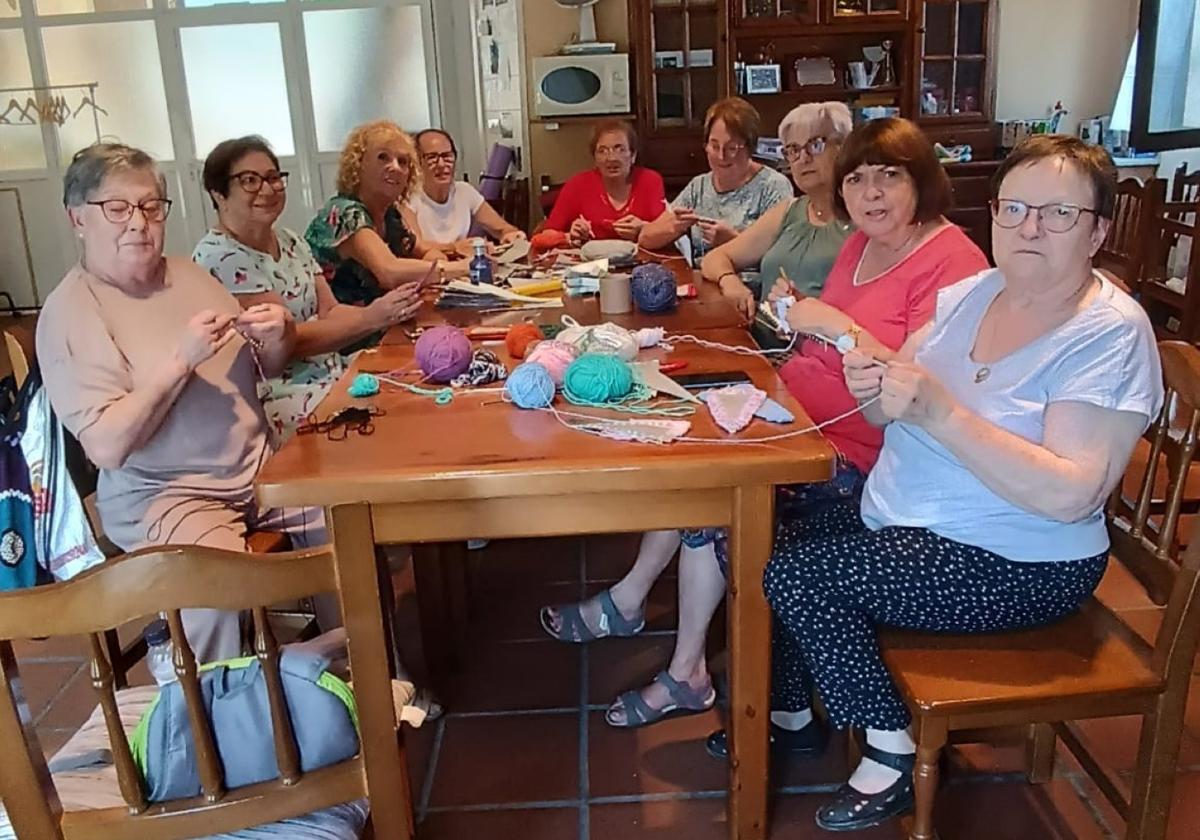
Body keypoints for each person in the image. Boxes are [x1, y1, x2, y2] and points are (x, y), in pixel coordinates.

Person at [764, 134, 1161, 832]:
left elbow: (1071, 495)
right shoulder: (975, 292)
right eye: (1014, 208)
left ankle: (891, 750)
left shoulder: (1107, 334)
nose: (1029, 227)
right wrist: (873, 380)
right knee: (772, 538)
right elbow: (895, 397)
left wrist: (939, 414)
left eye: (1058, 213)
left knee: (802, 577)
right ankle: (793, 715)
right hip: (910, 517)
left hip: (1016, 560)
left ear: (1097, 231)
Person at [540, 117, 990, 732]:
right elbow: (818, 340)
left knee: (712, 491)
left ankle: (684, 669)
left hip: (864, 455)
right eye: (857, 179)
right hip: (799, 415)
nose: (871, 193)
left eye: (890, 176)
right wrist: (794, 316)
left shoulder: (956, 264)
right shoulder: (862, 241)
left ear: (925, 180)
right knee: (688, 440)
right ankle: (640, 612)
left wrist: (827, 320)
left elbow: (908, 394)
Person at [37, 143, 335, 663]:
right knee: (212, 592)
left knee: (352, 529)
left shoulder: (190, 275)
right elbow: (107, 447)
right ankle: (219, 715)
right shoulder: (71, 313)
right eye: (118, 208)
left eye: (152, 206)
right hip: (169, 495)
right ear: (77, 218)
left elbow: (269, 367)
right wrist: (179, 360)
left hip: (259, 471)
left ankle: (364, 680)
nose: (139, 223)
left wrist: (280, 333)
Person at [194, 136, 422, 444]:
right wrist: (373, 317)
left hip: (329, 369)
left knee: (412, 391)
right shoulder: (220, 255)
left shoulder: (289, 240)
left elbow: (329, 309)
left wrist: (393, 310)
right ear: (218, 193)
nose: (266, 189)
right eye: (249, 180)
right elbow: (288, 344)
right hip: (277, 393)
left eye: (273, 178)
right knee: (393, 427)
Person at [699, 102, 855, 323]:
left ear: (843, 148)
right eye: (793, 150)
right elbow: (715, 258)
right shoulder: (789, 210)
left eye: (815, 145)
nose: (803, 159)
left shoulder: (865, 219)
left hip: (820, 350)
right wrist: (730, 281)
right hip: (760, 342)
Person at [305, 120, 466, 308]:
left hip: (380, 322)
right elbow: (390, 272)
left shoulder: (390, 215)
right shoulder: (345, 213)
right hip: (345, 331)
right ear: (358, 166)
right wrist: (464, 268)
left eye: (403, 162)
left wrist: (434, 266)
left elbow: (426, 251)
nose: (395, 167)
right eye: (383, 157)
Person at [637, 97, 792, 260]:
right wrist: (672, 227)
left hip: (748, 283)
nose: (721, 156)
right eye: (714, 146)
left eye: (732, 148)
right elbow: (645, 238)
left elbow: (783, 258)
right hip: (702, 280)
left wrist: (732, 241)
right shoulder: (699, 186)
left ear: (750, 147)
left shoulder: (773, 187)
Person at [543, 119, 666, 245]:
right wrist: (570, 236)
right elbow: (544, 236)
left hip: (642, 261)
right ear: (595, 159)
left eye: (620, 149)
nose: (611, 158)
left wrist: (644, 229)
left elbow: (667, 230)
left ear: (633, 155)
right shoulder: (577, 185)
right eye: (602, 151)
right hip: (592, 262)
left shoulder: (650, 181)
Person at [409, 128, 525, 256]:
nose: (441, 164)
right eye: (432, 158)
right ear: (417, 163)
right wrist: (456, 248)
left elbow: (501, 228)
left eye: (447, 156)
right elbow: (416, 246)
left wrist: (511, 235)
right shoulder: (409, 198)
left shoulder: (464, 191)